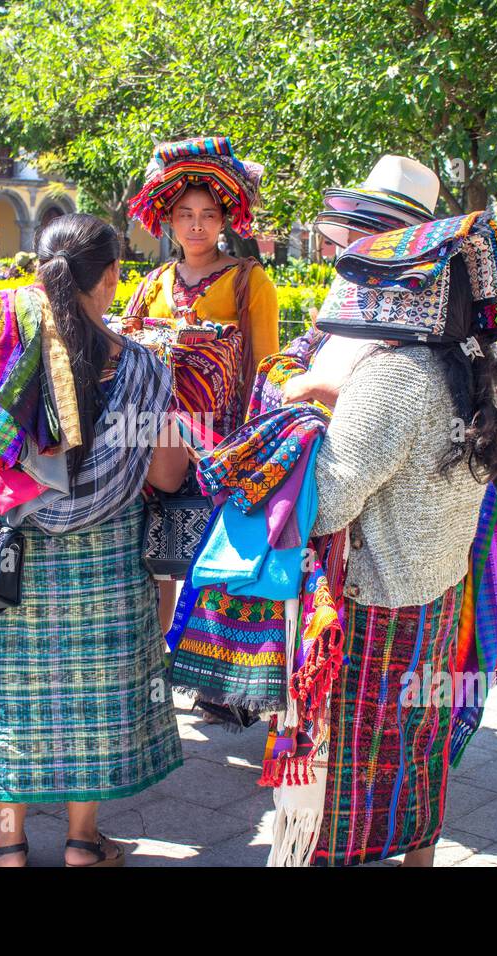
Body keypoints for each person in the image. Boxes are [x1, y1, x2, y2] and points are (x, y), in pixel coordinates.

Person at [0, 213, 188, 867]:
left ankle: (10, 842)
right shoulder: (142, 367)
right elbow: (164, 473)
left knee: (9, 694)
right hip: (106, 561)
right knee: (94, 698)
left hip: (8, 558)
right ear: (110, 278)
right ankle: (82, 842)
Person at [293, 157, 497, 867]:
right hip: (439, 592)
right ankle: (418, 856)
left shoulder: (391, 376)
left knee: (351, 755)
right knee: (417, 740)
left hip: (374, 599)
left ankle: (335, 856)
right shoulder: (473, 366)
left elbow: (329, 500)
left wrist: (299, 416)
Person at [124, 135, 281, 632]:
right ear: (167, 218)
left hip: (224, 441)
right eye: (186, 213)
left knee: (215, 554)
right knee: (157, 552)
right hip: (151, 440)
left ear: (225, 220)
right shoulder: (152, 284)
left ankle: (214, 668)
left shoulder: (249, 281)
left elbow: (267, 364)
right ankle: (154, 658)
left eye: (208, 214)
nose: (196, 224)